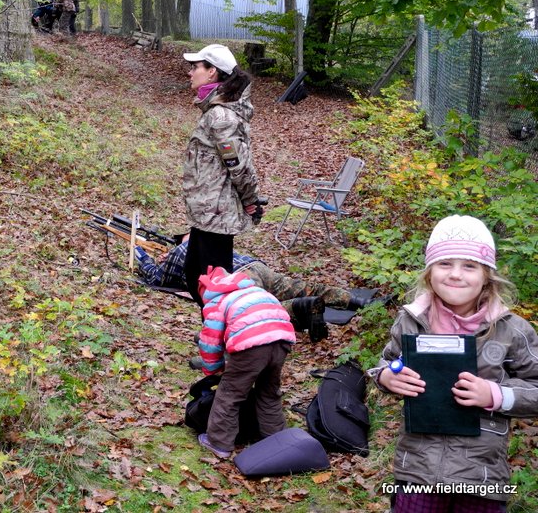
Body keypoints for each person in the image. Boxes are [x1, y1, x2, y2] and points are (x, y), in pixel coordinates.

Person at [368, 215, 538, 513]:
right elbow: (388, 363)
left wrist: (495, 394)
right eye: (445, 263)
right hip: (417, 469)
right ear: (429, 273)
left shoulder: (511, 330)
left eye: (469, 266)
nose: (456, 274)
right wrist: (386, 377)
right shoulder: (411, 320)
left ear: (487, 275)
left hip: (482, 475)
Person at [181, 44, 261, 308]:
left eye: (195, 67)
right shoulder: (214, 111)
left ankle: (229, 332)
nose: (190, 73)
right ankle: (214, 329)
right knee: (195, 278)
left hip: (217, 215)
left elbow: (238, 165)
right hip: (206, 214)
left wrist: (251, 200)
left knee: (215, 290)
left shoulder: (221, 117)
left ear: (212, 72)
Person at [196, 266, 296, 458]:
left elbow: (210, 342)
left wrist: (213, 370)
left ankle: (219, 443)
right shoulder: (254, 290)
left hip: (252, 344)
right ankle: (276, 440)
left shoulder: (217, 300)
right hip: (282, 338)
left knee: (230, 392)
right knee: (268, 392)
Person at [134, 239, 377, 313]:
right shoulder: (212, 240)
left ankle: (301, 307)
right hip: (256, 267)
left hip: (239, 281)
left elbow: (156, 279)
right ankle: (354, 300)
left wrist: (143, 257)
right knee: (301, 285)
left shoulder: (180, 252)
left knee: (261, 311)